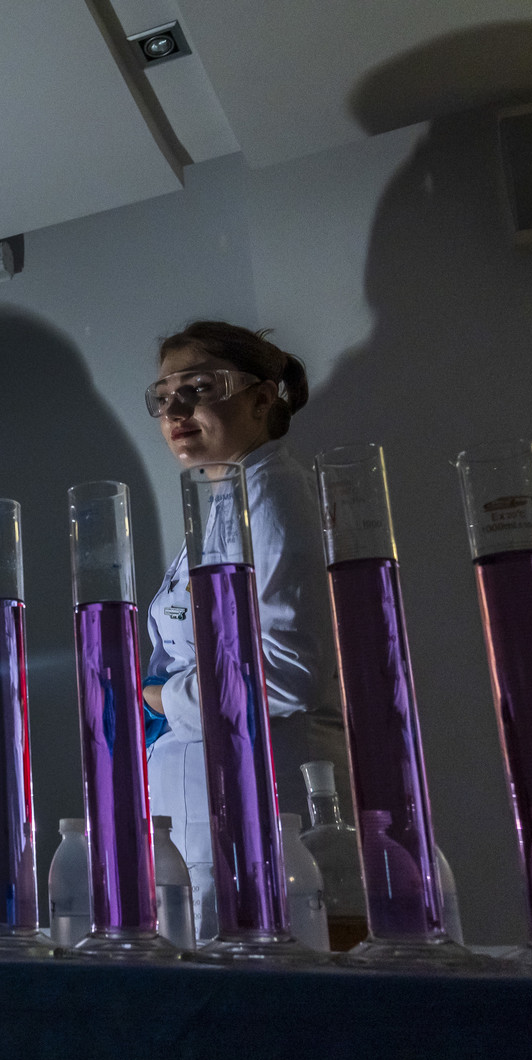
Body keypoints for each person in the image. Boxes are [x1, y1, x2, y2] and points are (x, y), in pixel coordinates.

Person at [140, 321, 347, 938]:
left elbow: (288, 670)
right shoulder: (219, 504)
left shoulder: (272, 493)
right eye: (164, 396)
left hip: (264, 807)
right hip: (204, 819)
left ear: (261, 399)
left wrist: (161, 698)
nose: (176, 410)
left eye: (200, 388)